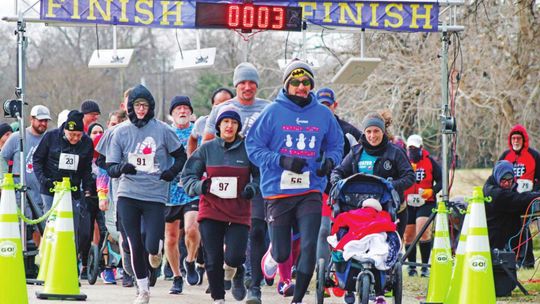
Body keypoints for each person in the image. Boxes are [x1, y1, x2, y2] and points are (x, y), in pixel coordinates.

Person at [246, 59, 344, 304]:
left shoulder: (322, 113)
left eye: (307, 82)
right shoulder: (272, 112)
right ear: (287, 84)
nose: (302, 87)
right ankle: (273, 256)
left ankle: (298, 299)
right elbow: (253, 147)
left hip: (310, 188)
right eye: (296, 82)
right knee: (281, 251)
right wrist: (282, 161)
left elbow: (336, 144)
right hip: (278, 191)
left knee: (310, 243)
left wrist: (329, 162)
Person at [106, 84, 186, 304]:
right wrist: (122, 168)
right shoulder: (120, 131)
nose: (141, 109)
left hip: (155, 194)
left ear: (151, 107)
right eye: (137, 105)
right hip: (128, 193)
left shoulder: (162, 130)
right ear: (130, 107)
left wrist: (171, 172)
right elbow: (110, 166)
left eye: (145, 105)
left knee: (151, 244)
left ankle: (156, 252)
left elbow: (181, 156)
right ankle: (143, 291)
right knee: (133, 243)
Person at [203, 62, 270, 303]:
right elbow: (207, 142)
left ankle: (255, 287)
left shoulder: (267, 109)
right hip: (227, 177)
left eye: (252, 82)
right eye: (242, 82)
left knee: (258, 229)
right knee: (230, 235)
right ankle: (238, 268)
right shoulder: (223, 108)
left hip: (258, 176)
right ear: (235, 85)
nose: (247, 87)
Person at [331, 112, 414, 304]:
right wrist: (336, 180)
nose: (372, 135)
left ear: (383, 132)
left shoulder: (394, 152)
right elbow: (339, 171)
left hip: (387, 207)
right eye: (368, 131)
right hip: (357, 208)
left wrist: (392, 184)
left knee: (383, 246)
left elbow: (409, 176)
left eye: (376, 131)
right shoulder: (356, 152)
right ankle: (349, 283)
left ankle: (380, 289)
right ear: (365, 132)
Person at [182, 106, 259, 304]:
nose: (229, 126)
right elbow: (188, 176)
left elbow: (260, 176)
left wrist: (252, 188)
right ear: (218, 125)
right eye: (226, 122)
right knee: (213, 258)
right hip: (211, 210)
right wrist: (202, 186)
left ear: (238, 127)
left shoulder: (248, 149)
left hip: (239, 211)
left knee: (234, 256)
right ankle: (218, 298)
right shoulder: (207, 149)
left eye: (234, 123)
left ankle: (237, 269)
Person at [33, 110, 94, 275]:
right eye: (72, 134)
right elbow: (37, 160)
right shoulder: (51, 137)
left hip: (72, 189)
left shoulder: (87, 143)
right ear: (65, 130)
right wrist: (43, 179)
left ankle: (70, 263)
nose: (75, 139)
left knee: (73, 227)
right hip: (50, 188)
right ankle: (48, 262)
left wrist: (88, 189)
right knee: (51, 225)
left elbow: (87, 169)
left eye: (78, 135)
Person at [315, 87, 362, 295]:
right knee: (324, 231)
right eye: (321, 105)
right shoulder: (311, 129)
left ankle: (347, 279)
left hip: (346, 190)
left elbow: (364, 151)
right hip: (321, 188)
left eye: (328, 105)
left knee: (346, 231)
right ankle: (323, 278)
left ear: (335, 106)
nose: (325, 108)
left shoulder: (349, 131)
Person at [164, 96, 201, 294]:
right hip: (170, 191)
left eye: (186, 108)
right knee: (170, 238)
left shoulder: (198, 133)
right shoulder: (166, 133)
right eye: (178, 108)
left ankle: (190, 260)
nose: (182, 111)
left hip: (191, 189)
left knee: (192, 229)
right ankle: (177, 277)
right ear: (172, 114)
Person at [498, 124, 540, 267]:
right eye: (513, 138)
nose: (516, 141)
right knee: (508, 225)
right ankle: (511, 258)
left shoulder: (535, 156)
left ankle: (526, 261)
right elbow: (497, 176)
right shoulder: (505, 156)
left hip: (529, 199)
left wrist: (535, 193)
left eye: (518, 138)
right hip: (510, 199)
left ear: (524, 140)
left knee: (523, 225)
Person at [483, 160, 540, 265]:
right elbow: (516, 200)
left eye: (509, 181)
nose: (506, 184)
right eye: (503, 180)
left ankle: (524, 263)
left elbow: (518, 202)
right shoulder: (494, 192)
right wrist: (536, 196)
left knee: (524, 227)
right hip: (495, 237)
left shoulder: (506, 188)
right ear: (497, 177)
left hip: (506, 232)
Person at [402, 134, 442, 277]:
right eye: (409, 148)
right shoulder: (404, 161)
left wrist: (432, 191)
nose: (412, 151)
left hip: (426, 202)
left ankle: (425, 266)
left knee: (423, 230)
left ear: (421, 148)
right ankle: (412, 267)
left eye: (415, 149)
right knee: (408, 235)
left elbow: (442, 180)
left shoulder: (430, 162)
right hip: (408, 202)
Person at [2, 105, 51, 214]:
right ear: (31, 119)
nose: (43, 123)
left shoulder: (49, 139)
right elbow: (2, 158)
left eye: (46, 121)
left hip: (43, 195)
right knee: (22, 228)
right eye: (40, 120)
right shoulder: (17, 137)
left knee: (42, 228)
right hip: (21, 195)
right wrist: (4, 181)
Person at [187, 87, 234, 156]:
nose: (221, 108)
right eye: (217, 105)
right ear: (212, 106)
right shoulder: (202, 122)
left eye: (225, 105)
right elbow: (193, 139)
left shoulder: (237, 123)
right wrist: (191, 160)